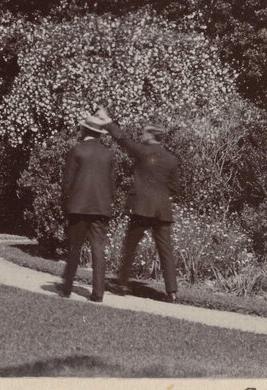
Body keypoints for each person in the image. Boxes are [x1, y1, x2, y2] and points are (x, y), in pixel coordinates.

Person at [96, 107, 181, 302]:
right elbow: (175, 187)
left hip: (141, 208)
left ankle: (122, 284)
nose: (141, 136)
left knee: (130, 246)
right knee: (165, 250)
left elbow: (122, 139)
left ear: (151, 135)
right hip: (162, 210)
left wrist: (107, 120)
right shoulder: (171, 159)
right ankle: (172, 292)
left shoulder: (143, 152)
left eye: (143, 132)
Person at [60, 114, 117, 302]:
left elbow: (67, 181)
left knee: (74, 248)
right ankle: (98, 293)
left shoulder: (77, 150)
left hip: (78, 206)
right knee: (98, 249)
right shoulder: (108, 154)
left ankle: (67, 288)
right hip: (101, 208)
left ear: (85, 130)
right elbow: (112, 184)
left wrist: (65, 202)